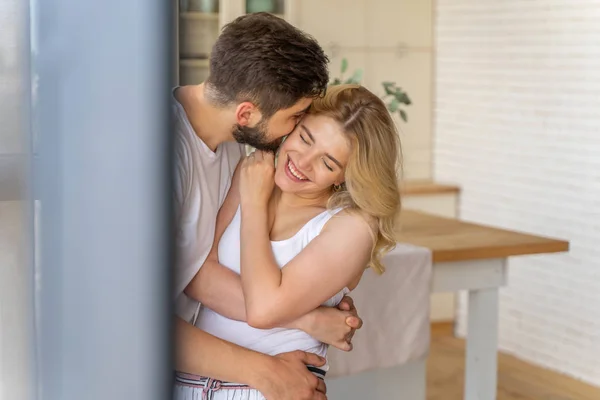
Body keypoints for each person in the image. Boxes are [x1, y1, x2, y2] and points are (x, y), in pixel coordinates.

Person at [173, 13, 364, 400]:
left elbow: (196, 273)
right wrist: (280, 358)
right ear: (247, 114)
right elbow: (128, 318)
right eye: (295, 119)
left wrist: (303, 314)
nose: (294, 132)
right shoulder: (161, 158)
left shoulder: (234, 150)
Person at [175, 84, 402, 400]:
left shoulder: (351, 227)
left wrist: (254, 203)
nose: (303, 162)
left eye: (328, 162)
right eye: (305, 138)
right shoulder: (253, 167)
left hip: (271, 391)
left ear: (345, 177)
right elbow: (197, 277)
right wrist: (309, 320)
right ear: (294, 124)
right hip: (188, 383)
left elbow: (264, 310)